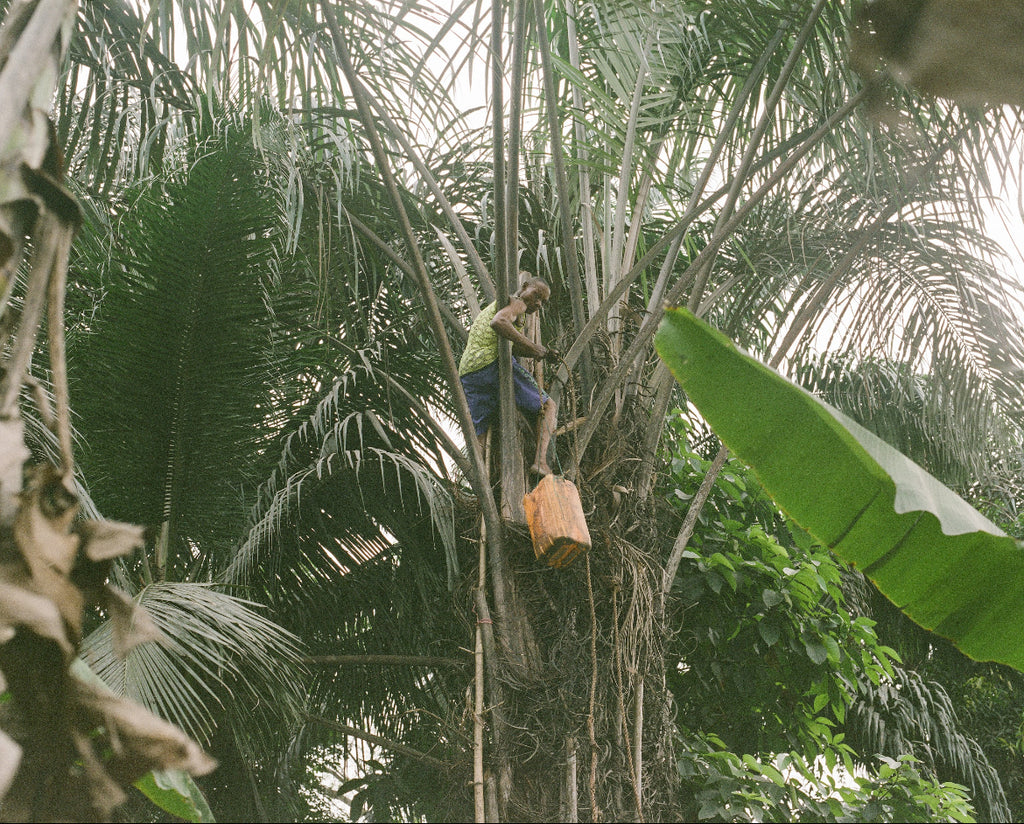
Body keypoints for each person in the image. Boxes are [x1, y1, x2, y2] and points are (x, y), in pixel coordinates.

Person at [459, 276, 560, 476]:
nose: (538, 303)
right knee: (548, 405)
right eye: (536, 295)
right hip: (491, 365)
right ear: (524, 287)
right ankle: (540, 462)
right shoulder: (517, 303)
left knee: (482, 432)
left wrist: (542, 353)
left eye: (543, 302)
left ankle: (478, 479)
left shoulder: (507, 308)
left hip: (470, 372)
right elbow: (499, 322)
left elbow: (512, 346)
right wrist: (534, 347)